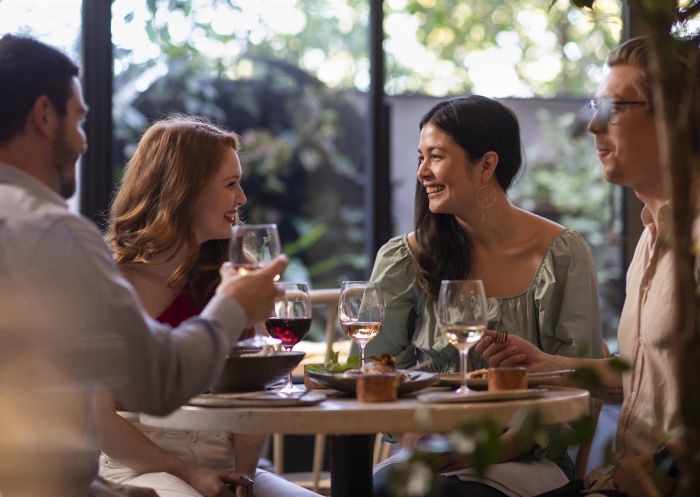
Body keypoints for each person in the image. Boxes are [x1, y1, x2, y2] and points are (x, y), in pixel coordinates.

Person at [0, 34, 286, 497]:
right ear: (44, 116)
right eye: (79, 121)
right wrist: (233, 306)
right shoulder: (53, 235)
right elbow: (158, 380)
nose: (82, 143)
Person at [475, 36, 686, 497]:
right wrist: (549, 363)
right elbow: (645, 375)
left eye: (613, 107)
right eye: (596, 105)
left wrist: (665, 465)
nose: (593, 125)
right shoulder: (650, 241)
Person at [368, 95, 604, 497]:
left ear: (487, 165)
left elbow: (575, 384)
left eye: (436, 156)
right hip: (429, 447)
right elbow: (377, 369)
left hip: (530, 454)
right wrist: (414, 437)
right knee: (392, 485)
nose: (423, 171)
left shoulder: (562, 254)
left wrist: (497, 447)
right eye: (421, 157)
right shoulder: (404, 257)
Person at [96, 115, 321, 497]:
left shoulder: (232, 276)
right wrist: (189, 472)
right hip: (137, 467)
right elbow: (96, 419)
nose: (242, 199)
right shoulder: (109, 279)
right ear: (185, 189)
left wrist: (243, 482)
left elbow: (254, 396)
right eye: (231, 184)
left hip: (225, 466)